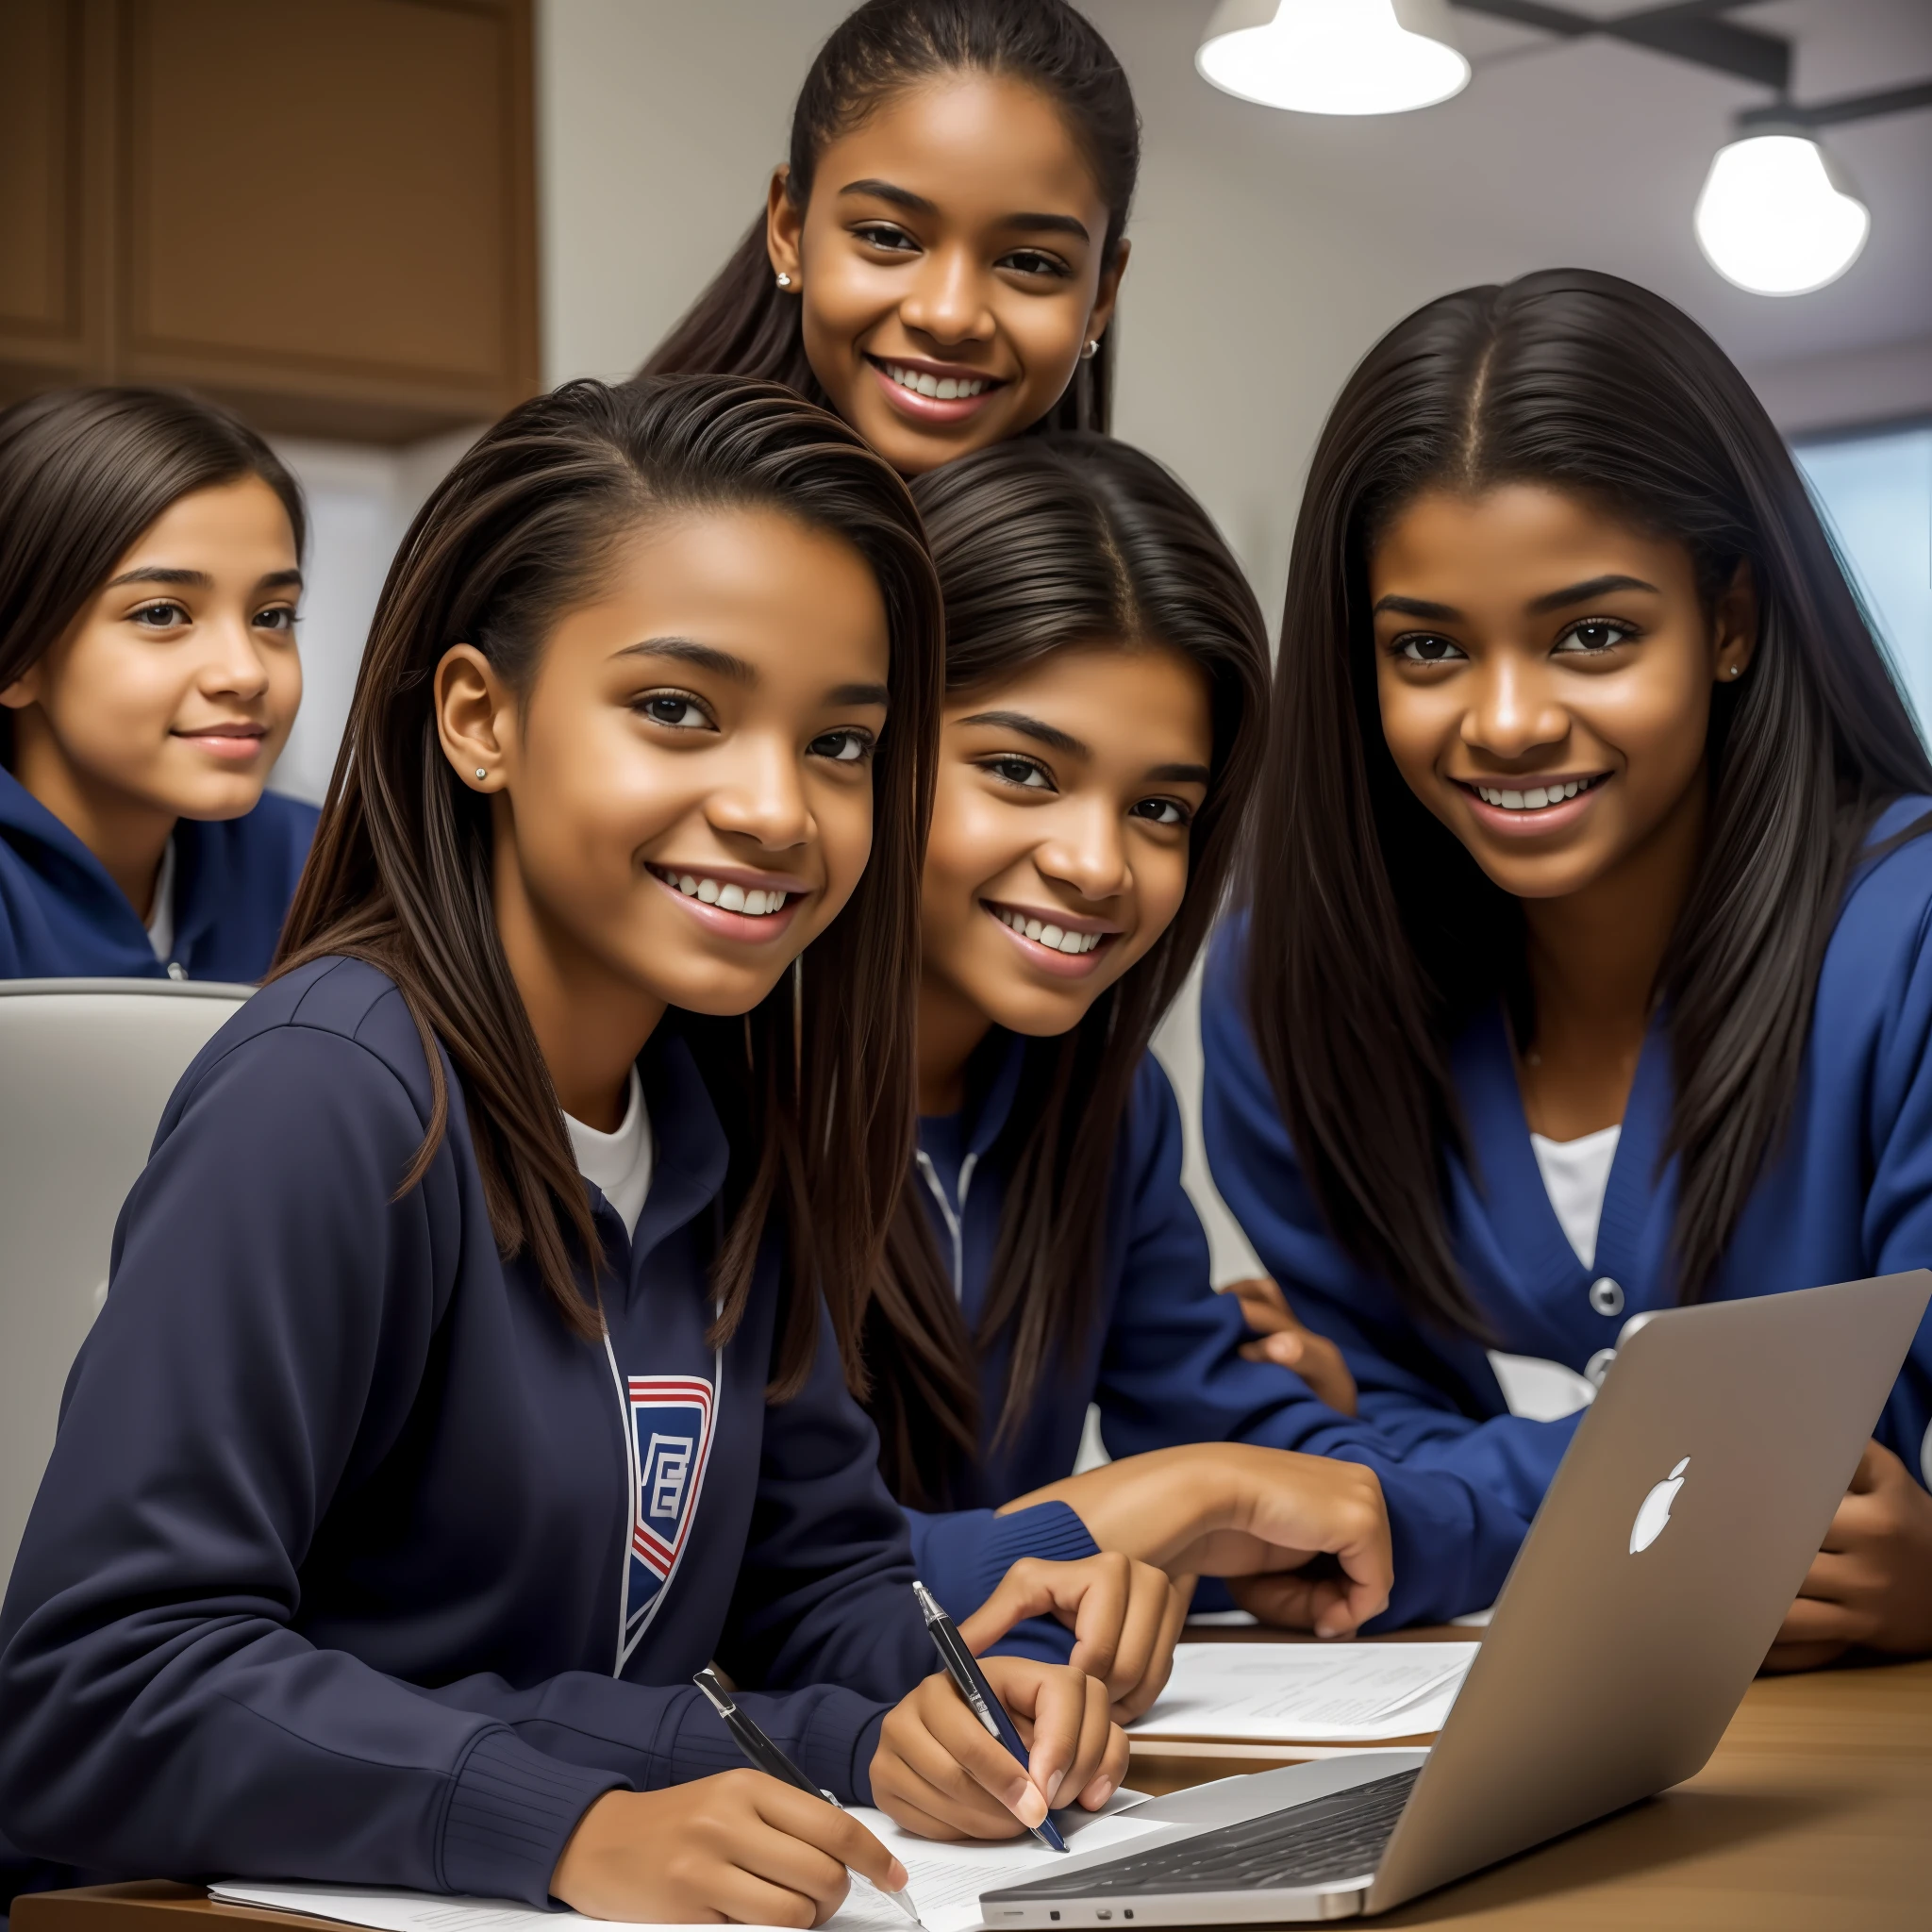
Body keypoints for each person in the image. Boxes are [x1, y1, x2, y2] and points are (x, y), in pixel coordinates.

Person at [0, 378, 1155, 1927]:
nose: (775, 808)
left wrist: (933, 1697)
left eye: (838, 742)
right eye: (679, 709)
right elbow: (96, 1689)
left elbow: (811, 1581)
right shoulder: (328, 1091)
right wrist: (567, 1819)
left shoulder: (730, 1108)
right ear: (480, 717)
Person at [1203, 268, 1932, 1672]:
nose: (1511, 720)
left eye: (1592, 635)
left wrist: (1433, 1496)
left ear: (1728, 621)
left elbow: (1859, 1489)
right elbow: (1358, 1455)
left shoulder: (1908, 937)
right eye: (1427, 648)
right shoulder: (1284, 991)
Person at [842, 434, 1529, 1645]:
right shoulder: (697, 1094)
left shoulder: (1099, 1105)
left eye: (1160, 807)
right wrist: (1174, 1499)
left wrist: (1325, 1498)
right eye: (1019, 770)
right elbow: (757, 1583)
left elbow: (1245, 1439)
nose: (1098, 863)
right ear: (866, 740)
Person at [643, 0, 1133, 475]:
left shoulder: (1122, 556)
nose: (949, 316)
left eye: (1029, 263)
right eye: (888, 237)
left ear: (1100, 300)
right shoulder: (621, 527)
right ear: (789, 230)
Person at [0, 388, 316, 982]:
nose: (245, 673)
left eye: (271, 616)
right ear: (16, 658)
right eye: (162, 614)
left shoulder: (327, 868)